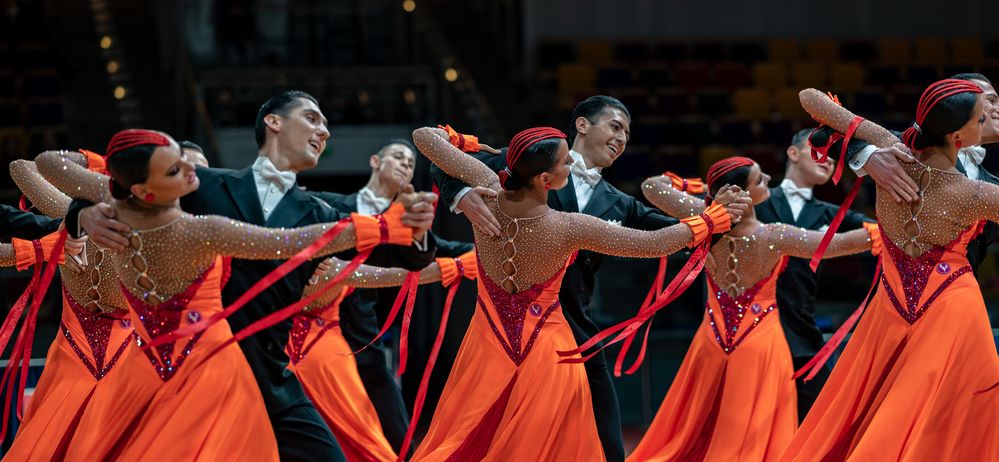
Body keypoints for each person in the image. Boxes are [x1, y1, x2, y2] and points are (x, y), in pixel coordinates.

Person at [64, 91, 439, 461]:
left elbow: (408, 255)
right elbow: (109, 186)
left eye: (326, 126)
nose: (324, 131)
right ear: (272, 122)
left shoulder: (324, 211)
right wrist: (81, 214)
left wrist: (415, 228)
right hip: (194, 375)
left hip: (270, 377)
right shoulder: (204, 184)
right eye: (312, 118)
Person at [410, 125, 747, 460]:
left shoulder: (484, 188)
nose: (572, 165)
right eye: (565, 163)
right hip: (548, 356)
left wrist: (462, 142)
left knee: (477, 442)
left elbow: (424, 137)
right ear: (545, 180)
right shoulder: (569, 226)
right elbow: (654, 244)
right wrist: (709, 219)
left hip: (485, 347)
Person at [430, 96, 678, 461]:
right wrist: (461, 195)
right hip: (506, 327)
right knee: (490, 432)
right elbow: (440, 159)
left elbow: (668, 237)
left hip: (577, 329)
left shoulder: (621, 204)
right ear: (582, 124)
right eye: (615, 125)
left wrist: (714, 219)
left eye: (627, 132)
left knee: (606, 441)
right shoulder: (527, 158)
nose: (622, 137)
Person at [780, 81, 999, 460]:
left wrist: (867, 152)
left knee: (883, 409)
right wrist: (862, 154)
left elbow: (810, 100)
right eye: (984, 113)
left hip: (892, 304)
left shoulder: (892, 151)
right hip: (953, 311)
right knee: (951, 415)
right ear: (959, 134)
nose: (990, 118)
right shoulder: (977, 194)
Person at [627, 157, 876, 461]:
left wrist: (710, 191)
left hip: (711, 340)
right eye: (759, 180)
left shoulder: (702, 217)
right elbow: (837, 245)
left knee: (708, 424)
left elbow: (652, 186)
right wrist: (883, 232)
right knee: (753, 432)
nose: (768, 178)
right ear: (742, 194)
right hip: (761, 343)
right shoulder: (774, 235)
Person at [311, 139, 471, 453]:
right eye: (397, 157)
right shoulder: (331, 205)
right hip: (316, 330)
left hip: (365, 333)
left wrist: (493, 254)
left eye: (410, 163)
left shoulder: (411, 224)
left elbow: (448, 250)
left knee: (394, 426)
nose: (404, 165)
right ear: (374, 161)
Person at [3, 155, 135, 461]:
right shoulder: (150, 239)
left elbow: (21, 167)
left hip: (71, 357)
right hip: (126, 362)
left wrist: (96, 161)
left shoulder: (71, 216)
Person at [288, 250, 475, 462]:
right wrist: (458, 265)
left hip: (287, 363)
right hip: (323, 365)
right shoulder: (334, 265)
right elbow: (398, 275)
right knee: (360, 439)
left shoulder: (278, 260)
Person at [756, 129, 873, 420]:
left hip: (801, 327)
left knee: (818, 415)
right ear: (793, 153)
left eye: (832, 159)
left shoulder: (832, 213)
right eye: (817, 153)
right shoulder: (757, 201)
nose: (828, 161)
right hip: (755, 322)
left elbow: (879, 229)